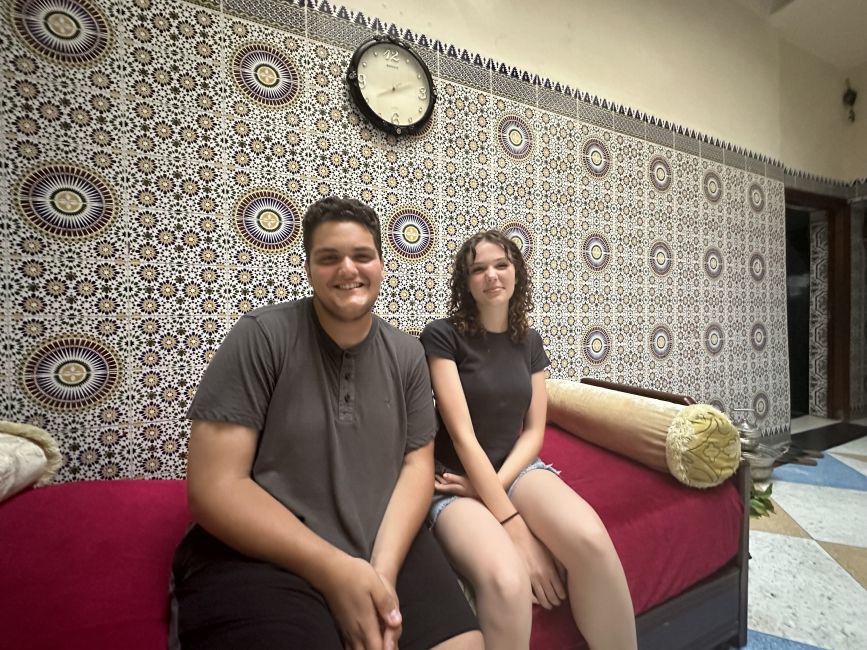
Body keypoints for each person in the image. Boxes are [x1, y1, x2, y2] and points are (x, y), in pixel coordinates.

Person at [171, 196, 481, 650]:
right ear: (309, 267)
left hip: (380, 539)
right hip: (265, 551)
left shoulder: (408, 355)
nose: (347, 270)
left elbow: (417, 467)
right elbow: (215, 487)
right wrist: (336, 571)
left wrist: (381, 574)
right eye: (329, 258)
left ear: (380, 263)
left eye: (362, 255)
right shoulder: (261, 336)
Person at [420, 230, 638, 650]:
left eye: (501, 265)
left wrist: (491, 490)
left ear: (516, 272)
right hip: (451, 482)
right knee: (509, 580)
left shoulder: (530, 342)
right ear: (465, 283)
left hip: (512, 470)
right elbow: (463, 438)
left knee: (591, 541)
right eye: (478, 269)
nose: (491, 275)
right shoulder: (442, 336)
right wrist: (513, 525)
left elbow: (534, 432)